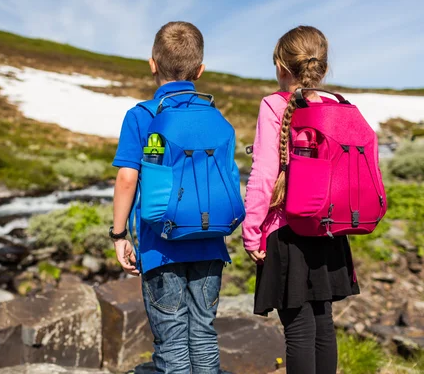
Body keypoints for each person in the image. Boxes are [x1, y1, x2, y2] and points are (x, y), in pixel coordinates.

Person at [110, 22, 232, 374]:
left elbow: (126, 179)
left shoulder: (141, 116)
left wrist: (119, 235)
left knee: (172, 342)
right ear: (200, 70)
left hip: (160, 248)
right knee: (204, 334)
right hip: (210, 244)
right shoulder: (214, 116)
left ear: (152, 64)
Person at [242, 26, 360, 374]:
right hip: (329, 229)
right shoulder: (336, 107)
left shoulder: (274, 105)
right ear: (320, 67)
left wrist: (251, 230)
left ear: (281, 65)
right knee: (324, 323)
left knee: (298, 329)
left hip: (287, 230)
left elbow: (263, 175)